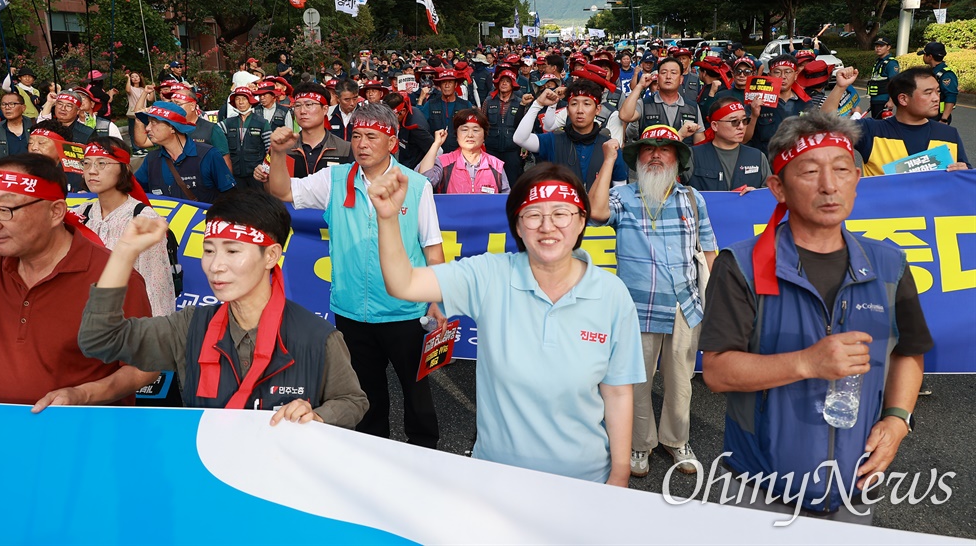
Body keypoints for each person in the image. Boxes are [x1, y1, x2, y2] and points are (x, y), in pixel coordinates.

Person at [700, 111, 933, 523]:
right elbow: (718, 373)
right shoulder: (742, 265)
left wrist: (898, 421)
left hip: (855, 483)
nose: (829, 185)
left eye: (842, 170)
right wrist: (807, 362)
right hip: (758, 483)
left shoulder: (889, 264)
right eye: (809, 172)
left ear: (857, 181)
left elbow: (908, 353)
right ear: (778, 188)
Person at [369, 162, 646, 484]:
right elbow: (405, 285)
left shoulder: (612, 294)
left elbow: (617, 394)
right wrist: (388, 219)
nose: (547, 226)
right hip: (496, 478)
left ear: (582, 220)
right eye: (533, 215)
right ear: (517, 224)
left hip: (587, 482)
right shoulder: (489, 275)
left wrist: (620, 473)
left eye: (561, 213)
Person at [79, 189, 369, 425]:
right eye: (208, 251)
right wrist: (124, 253)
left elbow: (352, 400)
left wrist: (318, 416)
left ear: (271, 256)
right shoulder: (189, 327)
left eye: (232, 251)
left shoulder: (317, 336)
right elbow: (99, 339)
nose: (215, 266)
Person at [266, 103, 445, 448]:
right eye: (357, 136)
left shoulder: (418, 185)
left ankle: (427, 457)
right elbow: (283, 191)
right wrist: (276, 153)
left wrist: (438, 300)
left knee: (417, 393)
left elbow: (433, 248)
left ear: (392, 143)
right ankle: (371, 457)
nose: (361, 144)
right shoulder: (335, 179)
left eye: (372, 137)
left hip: (404, 311)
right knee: (365, 396)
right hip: (351, 312)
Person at [588, 124, 718, 478]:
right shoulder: (623, 196)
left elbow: (708, 248)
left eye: (665, 149)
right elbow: (596, 213)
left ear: (678, 159)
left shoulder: (692, 199)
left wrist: (720, 298)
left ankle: (676, 440)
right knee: (637, 382)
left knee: (681, 381)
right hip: (637, 307)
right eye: (648, 149)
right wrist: (609, 159)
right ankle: (639, 444)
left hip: (684, 306)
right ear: (637, 158)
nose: (656, 155)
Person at [0, 152, 155, 409]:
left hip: (85, 436)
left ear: (55, 212)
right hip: (0, 435)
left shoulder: (114, 276)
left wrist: (83, 395)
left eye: (5, 209)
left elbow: (143, 367)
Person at [74, 137, 176, 316]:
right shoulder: (81, 214)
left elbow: (156, 287)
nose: (92, 171)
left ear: (124, 168)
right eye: (86, 163)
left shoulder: (142, 220)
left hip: (125, 320)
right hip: (82, 315)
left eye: (102, 163)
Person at [821, 67, 969, 176]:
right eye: (928, 93)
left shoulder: (949, 134)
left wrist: (965, 171)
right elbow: (825, 125)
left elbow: (967, 174)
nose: (936, 98)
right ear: (903, 99)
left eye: (937, 91)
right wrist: (840, 87)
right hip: (884, 217)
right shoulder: (871, 131)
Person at [514, 79, 628, 192]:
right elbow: (520, 139)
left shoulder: (609, 147)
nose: (580, 110)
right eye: (574, 104)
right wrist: (537, 104)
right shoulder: (553, 141)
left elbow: (620, 188)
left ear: (597, 109)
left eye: (587, 104)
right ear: (568, 110)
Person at [136, 100, 236, 203]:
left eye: (153, 122)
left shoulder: (208, 155)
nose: (147, 128)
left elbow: (229, 195)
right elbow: (134, 190)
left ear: (172, 128)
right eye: (148, 123)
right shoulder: (151, 160)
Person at [254, 83, 352, 179]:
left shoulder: (345, 150)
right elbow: (271, 186)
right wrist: (262, 176)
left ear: (325, 109)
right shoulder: (282, 147)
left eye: (309, 104)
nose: (302, 111)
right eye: (297, 105)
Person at [134, 90, 232, 171]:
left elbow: (225, 165)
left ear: (192, 106)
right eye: (172, 103)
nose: (174, 107)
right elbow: (142, 142)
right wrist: (139, 121)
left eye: (178, 104)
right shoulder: (168, 128)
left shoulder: (211, 129)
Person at [685, 98, 769, 192]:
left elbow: (770, 198)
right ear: (715, 126)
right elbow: (672, 191)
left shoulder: (757, 157)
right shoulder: (693, 156)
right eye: (734, 122)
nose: (741, 127)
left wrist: (756, 195)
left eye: (745, 121)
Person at [418, 108, 509, 194]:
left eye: (475, 130)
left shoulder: (496, 165)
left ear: (484, 135)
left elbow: (506, 200)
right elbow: (425, 180)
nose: (470, 135)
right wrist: (436, 144)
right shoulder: (444, 162)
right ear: (456, 135)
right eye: (464, 130)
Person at [618, 57, 706, 146]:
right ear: (658, 78)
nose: (668, 77)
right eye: (664, 73)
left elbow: (699, 144)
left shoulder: (692, 107)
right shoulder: (645, 104)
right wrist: (639, 86)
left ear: (681, 79)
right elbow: (624, 116)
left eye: (673, 73)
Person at [745, 55, 816, 154]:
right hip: (766, 163)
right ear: (769, 75)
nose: (783, 76)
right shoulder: (756, 102)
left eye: (788, 72)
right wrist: (753, 115)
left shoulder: (806, 103)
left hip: (796, 161)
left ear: (795, 75)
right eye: (777, 72)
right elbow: (744, 139)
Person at [482, 69, 528, 186]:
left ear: (513, 85)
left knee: (513, 182)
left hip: (512, 150)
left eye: (507, 81)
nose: (504, 83)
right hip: (492, 149)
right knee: (491, 183)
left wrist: (525, 147)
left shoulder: (519, 102)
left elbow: (525, 127)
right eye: (502, 81)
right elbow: (482, 124)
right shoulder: (488, 101)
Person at [219, 87, 271, 189]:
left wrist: (266, 170)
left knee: (258, 202)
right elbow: (214, 133)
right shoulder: (228, 123)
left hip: (256, 175)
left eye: (244, 99)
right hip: (235, 174)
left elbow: (270, 150)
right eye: (237, 99)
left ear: (250, 101)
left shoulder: (262, 123)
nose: (241, 102)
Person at [419, 70, 472, 153]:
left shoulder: (466, 105)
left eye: (450, 82)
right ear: (440, 85)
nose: (447, 85)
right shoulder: (430, 104)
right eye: (444, 83)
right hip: (436, 153)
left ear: (456, 85)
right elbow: (420, 126)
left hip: (460, 153)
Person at [384, 93, 434, 171]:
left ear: (403, 111)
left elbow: (435, 150)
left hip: (414, 169)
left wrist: (421, 171)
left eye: (390, 116)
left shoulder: (416, 127)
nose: (388, 120)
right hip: (404, 160)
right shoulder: (409, 111)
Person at [917, 41, 959, 125]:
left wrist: (944, 119)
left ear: (930, 56)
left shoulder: (946, 74)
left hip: (938, 117)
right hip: (927, 114)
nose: (923, 57)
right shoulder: (931, 71)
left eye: (924, 54)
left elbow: (951, 96)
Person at [0, 91, 35, 159]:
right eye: (4, 104)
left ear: (23, 108)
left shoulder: (34, 125)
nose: (7, 108)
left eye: (12, 104)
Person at [866, 37, 899, 119]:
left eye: (881, 46)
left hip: (884, 101)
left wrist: (891, 101)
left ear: (888, 47)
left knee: (882, 127)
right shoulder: (878, 62)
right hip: (875, 101)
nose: (878, 48)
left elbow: (894, 83)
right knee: (876, 125)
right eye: (876, 46)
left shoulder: (891, 63)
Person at [125, 71, 155, 155]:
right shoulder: (131, 88)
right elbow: (127, 89)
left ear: (140, 78)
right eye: (132, 77)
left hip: (142, 112)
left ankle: (142, 147)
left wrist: (152, 90)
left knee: (143, 130)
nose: (135, 78)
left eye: (136, 76)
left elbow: (150, 99)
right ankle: (135, 148)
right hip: (133, 113)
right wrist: (127, 78)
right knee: (133, 131)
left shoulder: (143, 89)